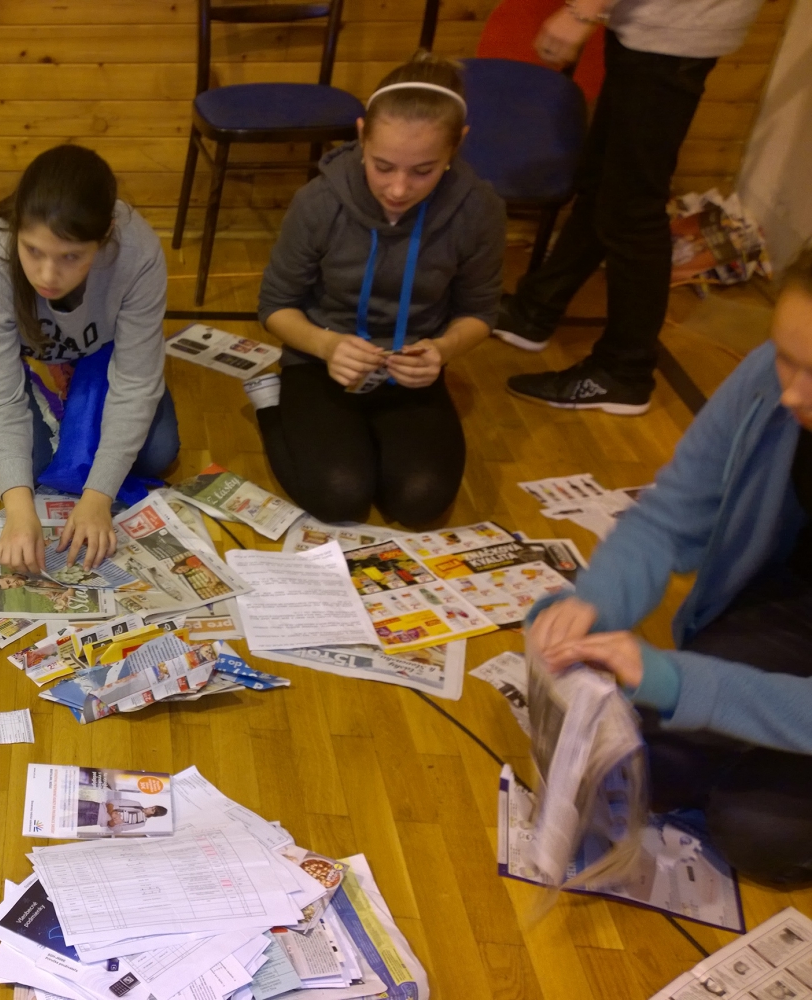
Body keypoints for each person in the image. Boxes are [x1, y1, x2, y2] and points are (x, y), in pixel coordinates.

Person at [526, 249, 812, 887]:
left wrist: (682, 683)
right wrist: (593, 603)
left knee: (757, 832)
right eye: (784, 355)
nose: (790, 390)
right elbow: (670, 514)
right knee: (642, 762)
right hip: (793, 611)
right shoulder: (770, 378)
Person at [253, 52, 506, 527]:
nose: (398, 189)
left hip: (411, 370)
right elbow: (275, 306)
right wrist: (327, 345)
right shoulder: (319, 201)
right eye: (383, 166)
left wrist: (443, 349)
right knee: (340, 497)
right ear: (361, 135)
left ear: (457, 146)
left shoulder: (478, 209)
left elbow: (480, 311)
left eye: (423, 170)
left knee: (420, 501)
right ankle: (273, 410)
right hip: (320, 360)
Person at [495, 0, 767, 414]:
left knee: (633, 209)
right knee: (603, 184)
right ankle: (535, 310)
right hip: (654, 26)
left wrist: (584, 8)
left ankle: (623, 372)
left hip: (674, 30)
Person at [0, 144, 179, 576]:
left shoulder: (137, 252)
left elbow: (136, 383)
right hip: (16, 349)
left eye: (71, 257)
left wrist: (97, 499)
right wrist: (19, 513)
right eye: (32, 251)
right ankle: (1, 372)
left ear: (105, 236)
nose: (47, 276)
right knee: (4, 473)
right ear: (16, 231)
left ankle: (72, 385)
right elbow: (1, 399)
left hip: (97, 349)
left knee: (156, 454)